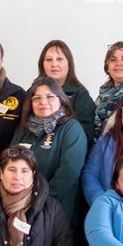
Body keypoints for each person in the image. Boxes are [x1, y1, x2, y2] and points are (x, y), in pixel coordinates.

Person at [11, 77, 88, 226]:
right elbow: (9, 163)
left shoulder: (71, 128)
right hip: (20, 206)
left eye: (50, 96)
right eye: (37, 98)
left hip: (55, 208)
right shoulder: (23, 130)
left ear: (61, 100)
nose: (43, 102)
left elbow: (69, 171)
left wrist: (38, 201)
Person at [38, 40, 97, 143]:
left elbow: (86, 134)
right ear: (42, 65)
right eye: (49, 60)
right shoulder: (32, 92)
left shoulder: (80, 95)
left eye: (59, 59)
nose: (54, 64)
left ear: (69, 64)